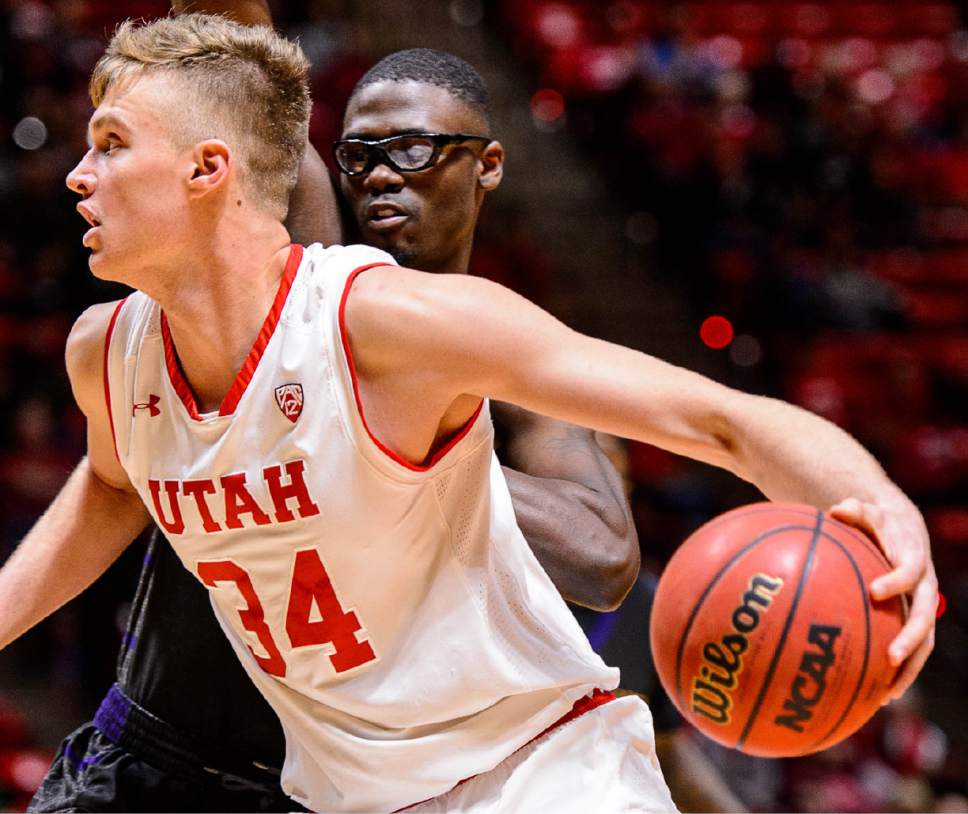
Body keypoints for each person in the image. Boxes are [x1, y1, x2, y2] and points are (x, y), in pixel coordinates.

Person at [3, 12, 935, 813]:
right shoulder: (110, 354)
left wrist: (882, 505)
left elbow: (720, 420)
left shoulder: (390, 328)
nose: (78, 173)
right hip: (343, 794)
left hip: (536, 772)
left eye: (112, 144)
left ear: (209, 170)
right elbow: (114, 485)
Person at [28, 5, 641, 814]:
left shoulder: (505, 362)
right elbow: (231, 30)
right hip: (158, 741)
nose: (382, 173)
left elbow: (603, 559)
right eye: (359, 155)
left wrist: (402, 451)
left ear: (488, 166)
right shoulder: (302, 260)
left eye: (416, 150)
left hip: (337, 793)